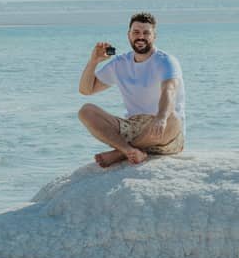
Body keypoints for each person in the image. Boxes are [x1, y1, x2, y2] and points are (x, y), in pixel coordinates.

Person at [78, 12, 185, 167]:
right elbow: (86, 90)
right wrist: (93, 61)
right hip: (133, 126)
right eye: (136, 32)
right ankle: (130, 150)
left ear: (154, 36)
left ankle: (120, 153)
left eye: (146, 33)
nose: (140, 37)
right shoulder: (120, 63)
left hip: (164, 133)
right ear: (128, 35)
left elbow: (170, 90)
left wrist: (161, 117)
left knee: (173, 118)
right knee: (86, 111)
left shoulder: (166, 61)